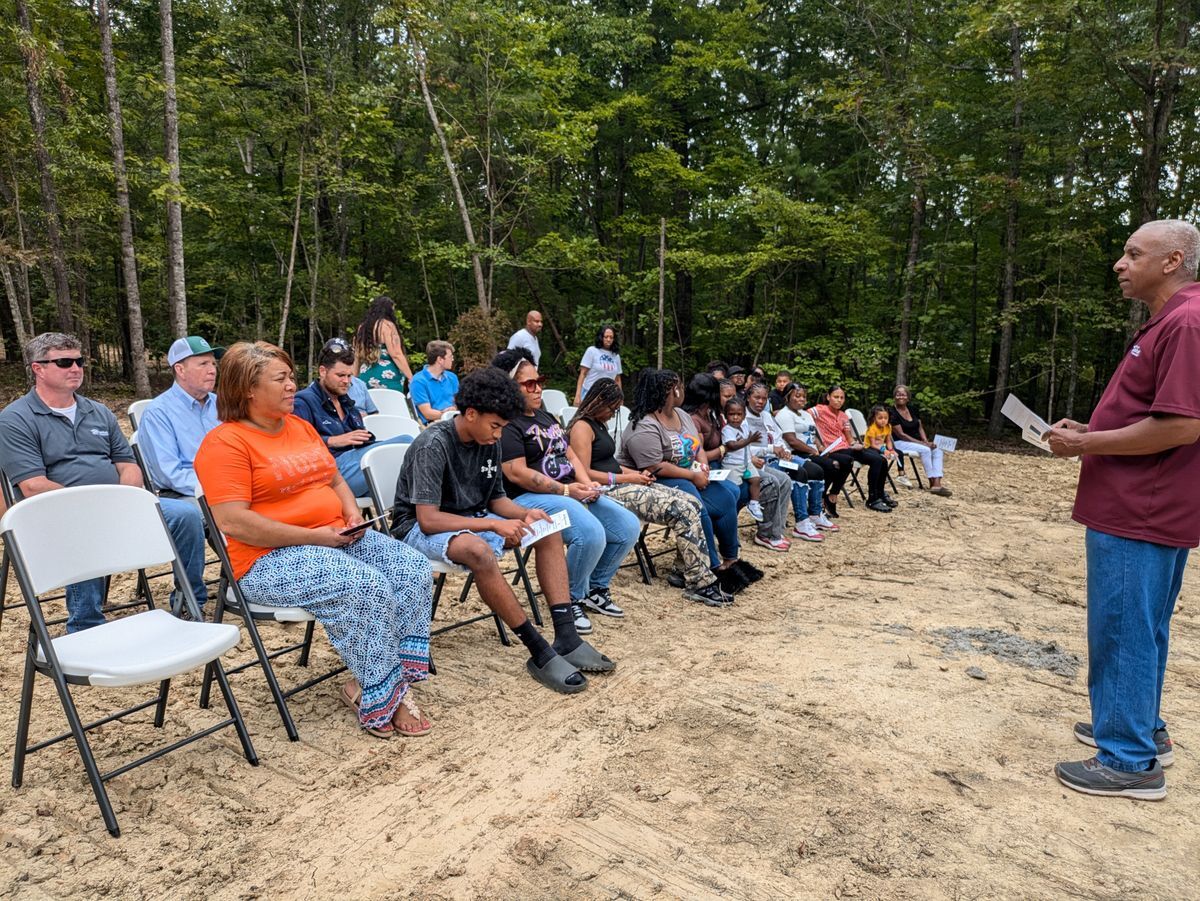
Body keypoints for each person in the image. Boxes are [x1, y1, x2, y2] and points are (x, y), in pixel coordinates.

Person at [194, 341, 435, 739]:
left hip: (335, 536)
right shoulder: (225, 444)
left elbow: (336, 479)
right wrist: (316, 537)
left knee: (411, 568)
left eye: (291, 377)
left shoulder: (300, 427)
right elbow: (234, 522)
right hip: (267, 558)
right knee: (365, 585)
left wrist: (352, 514)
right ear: (248, 390)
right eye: (282, 378)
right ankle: (383, 696)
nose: (293, 385)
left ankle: (384, 681)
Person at [1046, 219, 1200, 800]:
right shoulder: (1174, 319)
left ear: (1172, 261)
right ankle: (1136, 725)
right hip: (1147, 504)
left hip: (1140, 508)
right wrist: (1096, 429)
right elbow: (1156, 414)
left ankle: (1129, 761)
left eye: (1133, 253)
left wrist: (1088, 444)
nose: (1120, 262)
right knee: (1145, 625)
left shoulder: (1185, 321)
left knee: (1124, 626)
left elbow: (1183, 425)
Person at [391, 366, 615, 694]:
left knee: (547, 529)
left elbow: (496, 500)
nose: (498, 434)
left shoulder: (490, 441)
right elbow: (429, 519)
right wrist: (494, 524)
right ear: (470, 413)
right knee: (477, 550)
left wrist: (525, 514)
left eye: (502, 427)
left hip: (472, 518)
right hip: (418, 529)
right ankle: (539, 651)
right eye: (495, 426)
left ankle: (567, 637)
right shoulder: (434, 444)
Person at [0, 333, 208, 631]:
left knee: (185, 515)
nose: (75, 368)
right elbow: (33, 485)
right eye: (64, 362)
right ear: (38, 368)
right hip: (56, 512)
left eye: (79, 361)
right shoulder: (16, 419)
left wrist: (122, 500)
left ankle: (190, 601)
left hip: (117, 503)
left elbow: (129, 465)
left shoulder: (97, 411)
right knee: (88, 524)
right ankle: (86, 623)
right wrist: (95, 506)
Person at [494, 348, 640, 631]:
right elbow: (516, 472)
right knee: (590, 533)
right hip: (529, 497)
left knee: (627, 526)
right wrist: (566, 490)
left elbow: (570, 453)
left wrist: (585, 482)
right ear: (511, 387)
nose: (539, 389)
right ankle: (569, 598)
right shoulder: (508, 422)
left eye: (540, 381)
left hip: (568, 488)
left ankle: (595, 589)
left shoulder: (545, 416)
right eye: (530, 384)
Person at [567, 378, 732, 607]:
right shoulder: (581, 428)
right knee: (681, 509)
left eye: (616, 410)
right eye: (611, 409)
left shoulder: (599, 425)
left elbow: (608, 464)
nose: (612, 415)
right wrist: (629, 477)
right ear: (597, 402)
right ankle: (700, 582)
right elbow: (584, 472)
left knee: (692, 502)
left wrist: (637, 474)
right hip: (604, 490)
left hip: (621, 481)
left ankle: (687, 569)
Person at [619, 369, 758, 594]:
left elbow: (697, 446)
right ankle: (710, 566)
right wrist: (693, 476)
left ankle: (731, 560)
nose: (683, 390)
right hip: (652, 481)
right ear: (670, 391)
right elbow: (655, 466)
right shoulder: (643, 425)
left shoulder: (681, 415)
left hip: (687, 474)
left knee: (725, 496)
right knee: (695, 504)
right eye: (679, 386)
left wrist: (702, 468)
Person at [682, 373, 790, 553]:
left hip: (741, 461)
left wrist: (749, 454)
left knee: (783, 479)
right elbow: (704, 453)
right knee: (768, 483)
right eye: (727, 396)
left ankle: (772, 532)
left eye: (733, 396)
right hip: (722, 465)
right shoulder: (715, 417)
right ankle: (760, 533)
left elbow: (745, 443)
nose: (732, 399)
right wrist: (729, 450)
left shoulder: (722, 414)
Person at [292, 338, 413, 498]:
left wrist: (366, 439)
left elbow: (358, 441)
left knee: (409, 443)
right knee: (406, 445)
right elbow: (296, 447)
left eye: (350, 376)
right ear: (322, 371)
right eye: (341, 375)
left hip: (356, 465)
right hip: (328, 472)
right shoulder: (303, 401)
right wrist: (334, 440)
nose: (347, 381)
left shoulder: (347, 403)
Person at [746, 382, 835, 541]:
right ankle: (801, 522)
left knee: (816, 470)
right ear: (747, 397)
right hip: (763, 459)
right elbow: (746, 449)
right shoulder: (743, 417)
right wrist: (773, 449)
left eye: (764, 399)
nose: (760, 402)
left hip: (780, 455)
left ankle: (815, 514)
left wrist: (784, 451)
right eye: (756, 397)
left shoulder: (767, 416)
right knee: (798, 471)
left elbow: (779, 437)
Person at [138, 335, 223, 498]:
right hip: (186, 494)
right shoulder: (158, 413)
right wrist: (219, 489)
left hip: (232, 486)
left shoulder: (222, 404)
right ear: (180, 370)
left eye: (213, 363)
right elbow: (169, 474)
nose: (212, 370)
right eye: (203, 364)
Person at [811, 386, 893, 513]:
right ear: (828, 397)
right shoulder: (820, 410)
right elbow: (802, 415)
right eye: (836, 397)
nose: (839, 400)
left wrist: (855, 444)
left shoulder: (843, 416)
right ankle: (872, 499)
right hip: (833, 449)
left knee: (880, 459)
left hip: (847, 448)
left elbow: (849, 439)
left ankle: (879, 494)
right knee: (873, 459)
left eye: (842, 398)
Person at [889, 385, 951, 496]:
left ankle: (937, 482)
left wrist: (926, 441)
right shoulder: (892, 412)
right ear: (894, 396)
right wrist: (923, 444)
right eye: (898, 394)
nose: (900, 396)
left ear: (908, 397)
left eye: (903, 394)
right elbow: (901, 435)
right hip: (899, 443)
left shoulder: (913, 409)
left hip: (916, 442)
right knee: (926, 450)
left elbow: (920, 427)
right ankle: (932, 481)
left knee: (937, 450)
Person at [354, 295, 414, 393]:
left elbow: (357, 355)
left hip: (364, 376)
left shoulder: (362, 327)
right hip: (387, 378)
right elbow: (396, 354)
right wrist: (411, 378)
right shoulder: (387, 326)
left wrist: (354, 378)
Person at [720, 398, 764, 522]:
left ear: (744, 415)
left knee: (756, 479)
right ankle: (730, 512)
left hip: (746, 462)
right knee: (736, 489)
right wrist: (749, 440)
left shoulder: (744, 428)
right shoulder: (727, 430)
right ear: (725, 415)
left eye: (739, 414)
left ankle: (754, 503)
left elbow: (748, 446)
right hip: (732, 465)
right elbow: (732, 445)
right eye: (731, 414)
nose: (735, 417)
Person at [409, 340, 460, 424]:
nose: (453, 359)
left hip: (454, 419)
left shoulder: (452, 377)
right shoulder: (418, 381)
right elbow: (427, 414)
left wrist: (454, 408)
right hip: (434, 424)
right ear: (440, 359)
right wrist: (448, 413)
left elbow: (459, 402)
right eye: (450, 356)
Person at [574, 325, 623, 404]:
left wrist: (620, 398)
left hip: (607, 397)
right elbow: (582, 374)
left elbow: (617, 379)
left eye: (611, 337)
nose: (608, 339)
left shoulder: (616, 356)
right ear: (601, 337)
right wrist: (578, 395)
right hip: (589, 394)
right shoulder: (592, 351)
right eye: (606, 337)